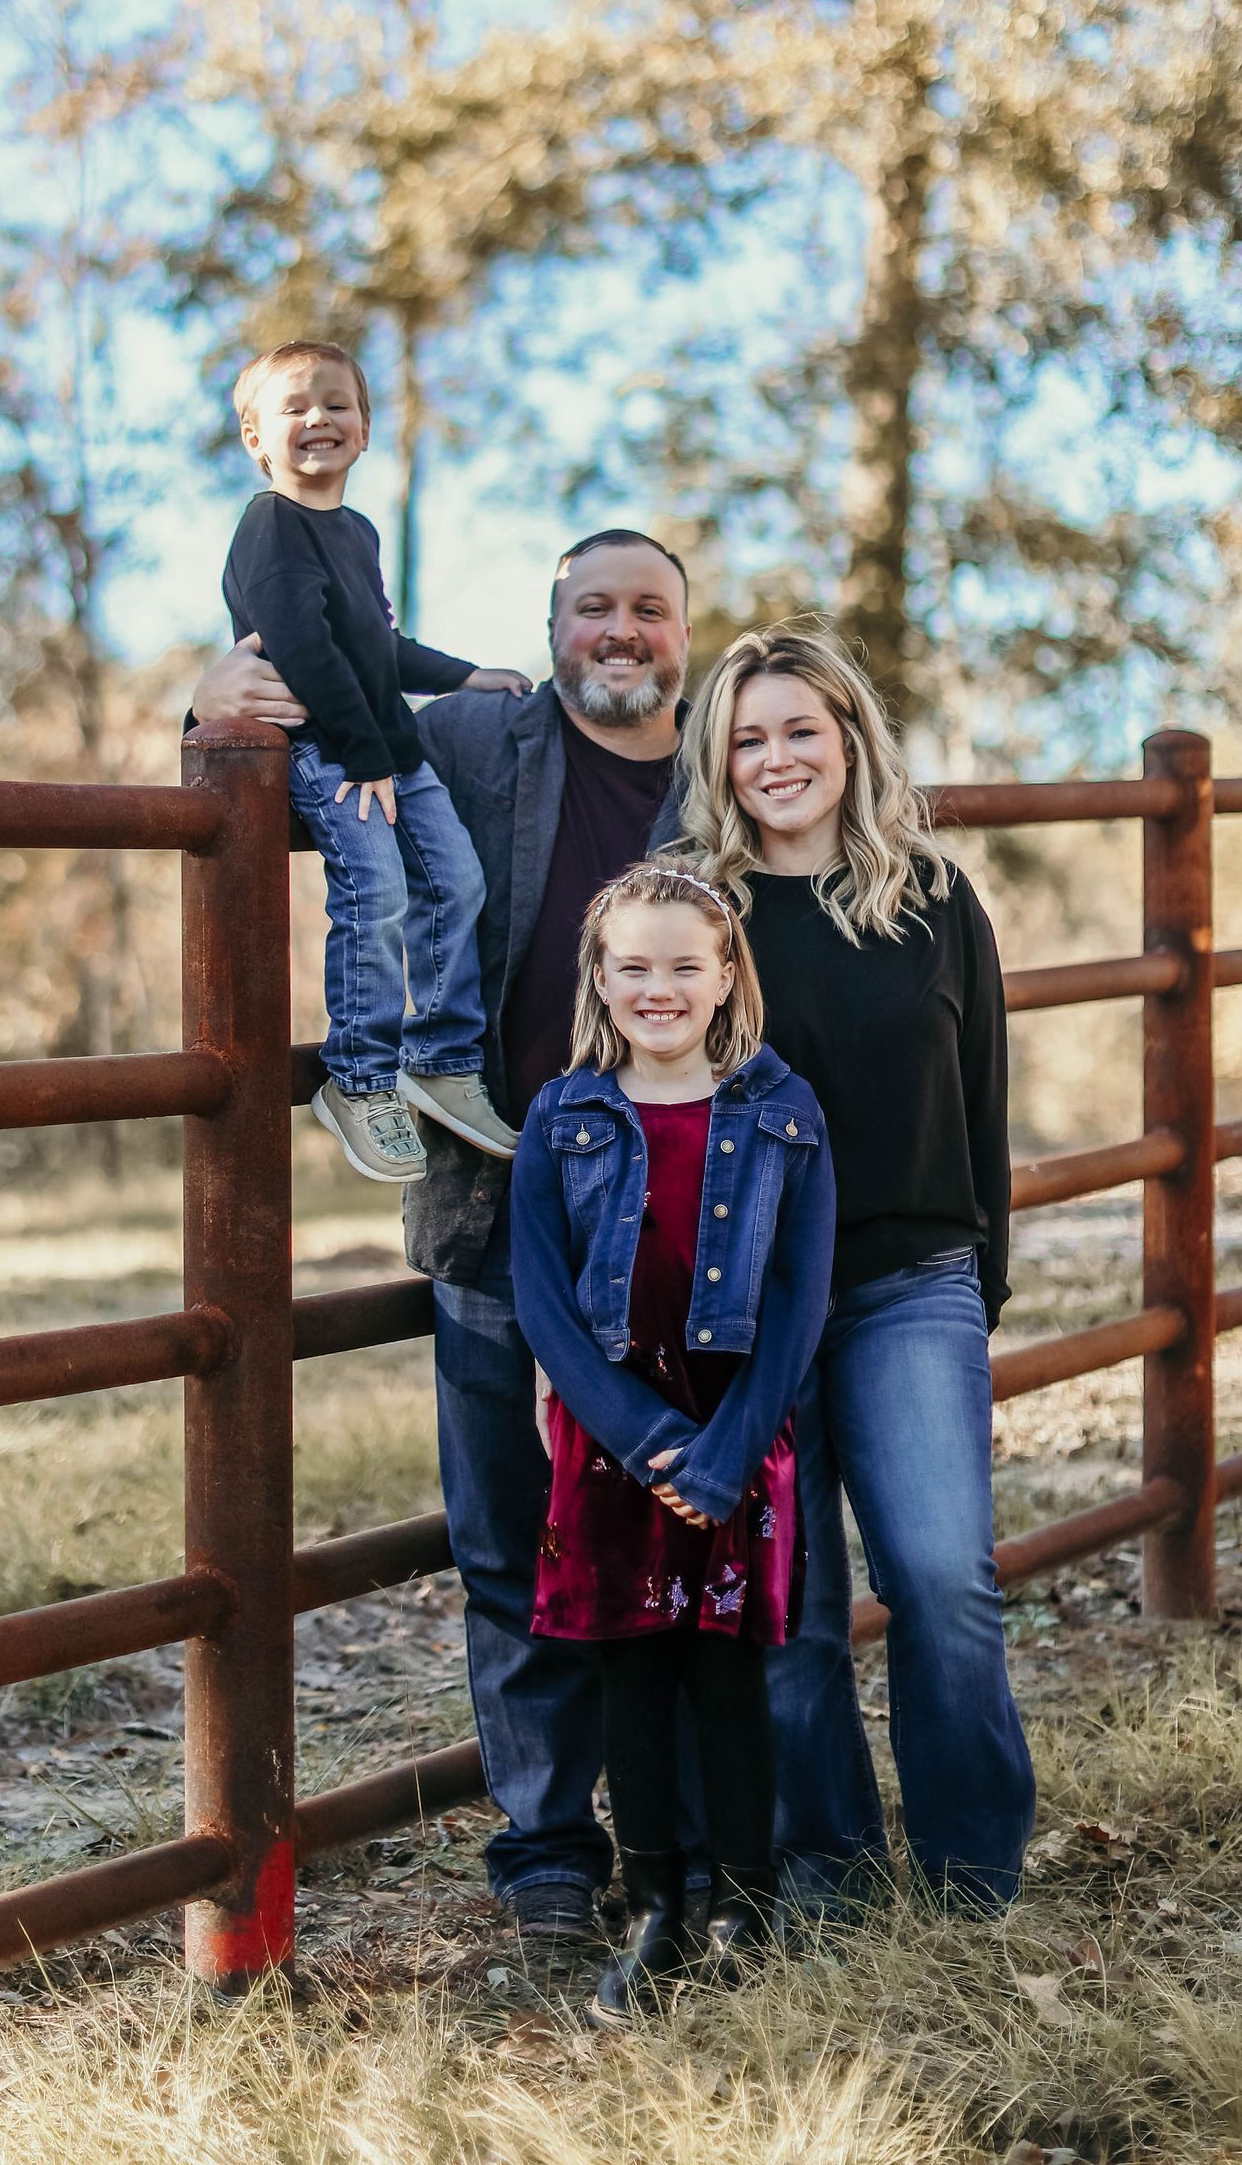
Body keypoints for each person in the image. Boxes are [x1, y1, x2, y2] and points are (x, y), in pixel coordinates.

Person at [190, 525, 691, 1937]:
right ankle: (547, 1857)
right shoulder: (477, 742)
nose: (620, 632)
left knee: (674, 1532)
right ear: (553, 628)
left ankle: (685, 1845)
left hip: (678, 1228)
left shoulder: (732, 769)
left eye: (649, 609)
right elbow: (308, 788)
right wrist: (211, 708)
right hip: (494, 1213)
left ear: (683, 636)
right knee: (513, 1546)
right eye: (593, 607)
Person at [671, 623, 1038, 1912]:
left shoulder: (932, 898)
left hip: (906, 1282)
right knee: (789, 1610)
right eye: (748, 737)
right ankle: (824, 1868)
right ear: (717, 759)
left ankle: (972, 1873)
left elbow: (982, 1092)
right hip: (747, 1301)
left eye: (799, 731)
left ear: (849, 741)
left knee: (942, 1578)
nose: (776, 759)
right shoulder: (692, 911)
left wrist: (979, 1277)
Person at [510, 863, 833, 2023]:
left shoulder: (783, 1111)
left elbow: (800, 1299)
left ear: (725, 974)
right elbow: (542, 1299)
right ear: (599, 976)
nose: (659, 987)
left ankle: (741, 1904)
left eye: (684, 966)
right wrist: (646, 1439)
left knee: (729, 1674)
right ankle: (655, 1908)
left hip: (740, 1432)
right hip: (613, 1441)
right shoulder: (565, 1116)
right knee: (634, 1675)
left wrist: (726, 1451)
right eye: (633, 966)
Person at [222, 339, 529, 1184]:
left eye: (336, 404)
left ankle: (440, 1058)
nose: (318, 418)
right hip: (331, 752)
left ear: (364, 429)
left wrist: (466, 676)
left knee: (459, 881)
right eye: (294, 408)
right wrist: (361, 753)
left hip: (392, 749)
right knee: (376, 890)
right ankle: (356, 1079)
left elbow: (375, 646)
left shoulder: (355, 531)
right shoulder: (269, 526)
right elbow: (303, 648)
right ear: (256, 435)